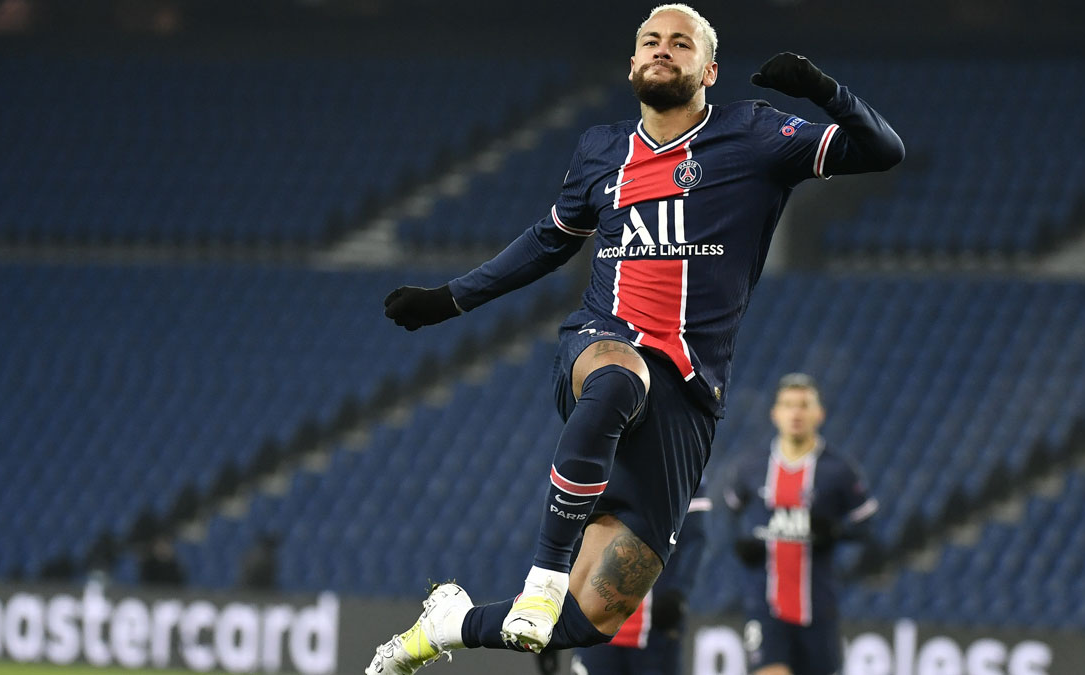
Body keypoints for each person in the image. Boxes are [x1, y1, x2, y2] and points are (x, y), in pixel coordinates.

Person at [369, 4, 902, 674]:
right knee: (621, 376)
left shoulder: (756, 135)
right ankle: (543, 573)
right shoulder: (600, 149)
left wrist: (823, 89)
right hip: (601, 345)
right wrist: (451, 298)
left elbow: (884, 149)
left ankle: (446, 623)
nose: (662, 49)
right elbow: (547, 242)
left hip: (690, 397)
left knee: (595, 617)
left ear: (709, 69)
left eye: (681, 43)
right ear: (631, 64)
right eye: (650, 40)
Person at [723, 374, 878, 675]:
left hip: (818, 606)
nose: (796, 413)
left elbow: (867, 525)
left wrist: (836, 533)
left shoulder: (839, 471)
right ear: (775, 413)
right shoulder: (751, 468)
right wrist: (739, 542)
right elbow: (730, 512)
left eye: (804, 405)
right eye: (788, 405)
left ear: (819, 414)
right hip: (764, 605)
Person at [565, 488, 711, 675]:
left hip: (656, 620)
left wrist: (678, 592)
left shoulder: (682, 466)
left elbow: (694, 540)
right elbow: (568, 538)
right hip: (593, 622)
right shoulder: (590, 467)